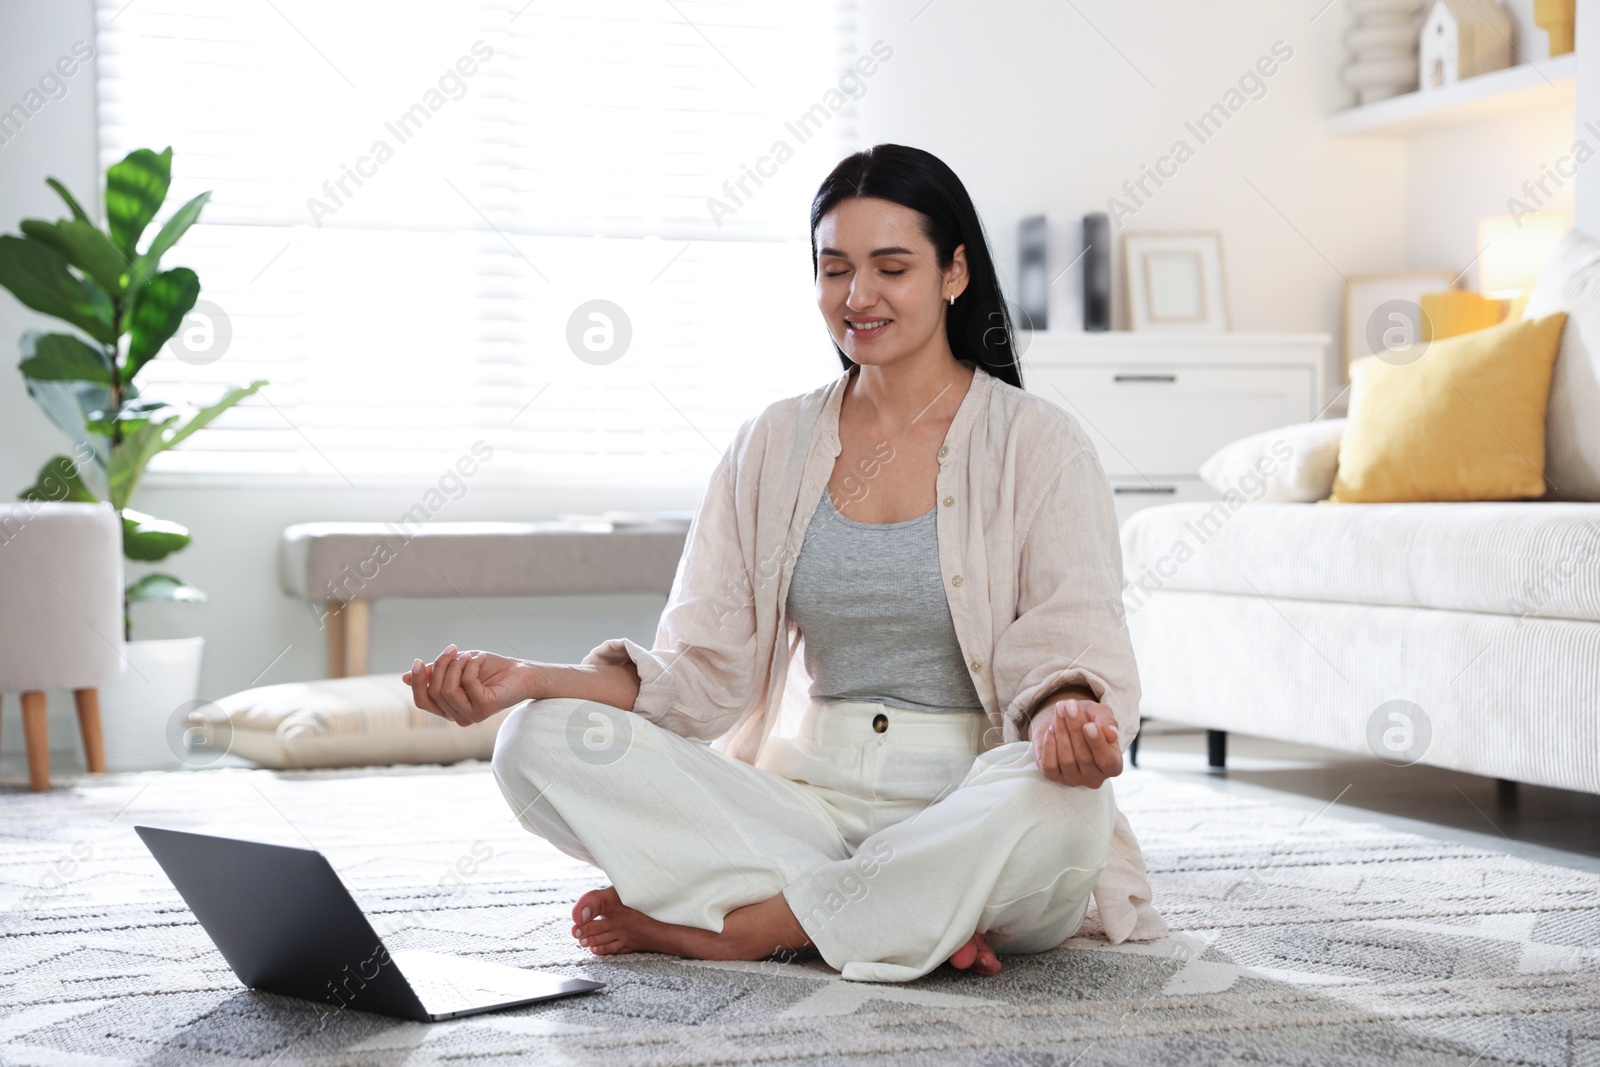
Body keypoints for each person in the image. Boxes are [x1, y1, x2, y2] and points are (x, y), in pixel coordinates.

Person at [403, 143, 1164, 983]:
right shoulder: (771, 442)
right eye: (835, 269)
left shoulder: (1039, 443)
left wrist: (1066, 718)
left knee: (1062, 808)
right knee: (536, 742)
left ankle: (750, 926)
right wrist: (527, 680)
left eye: (891, 267)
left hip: (971, 794)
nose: (858, 296)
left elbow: (1072, 643)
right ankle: (907, 913)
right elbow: (697, 672)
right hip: (806, 802)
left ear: (954, 273)